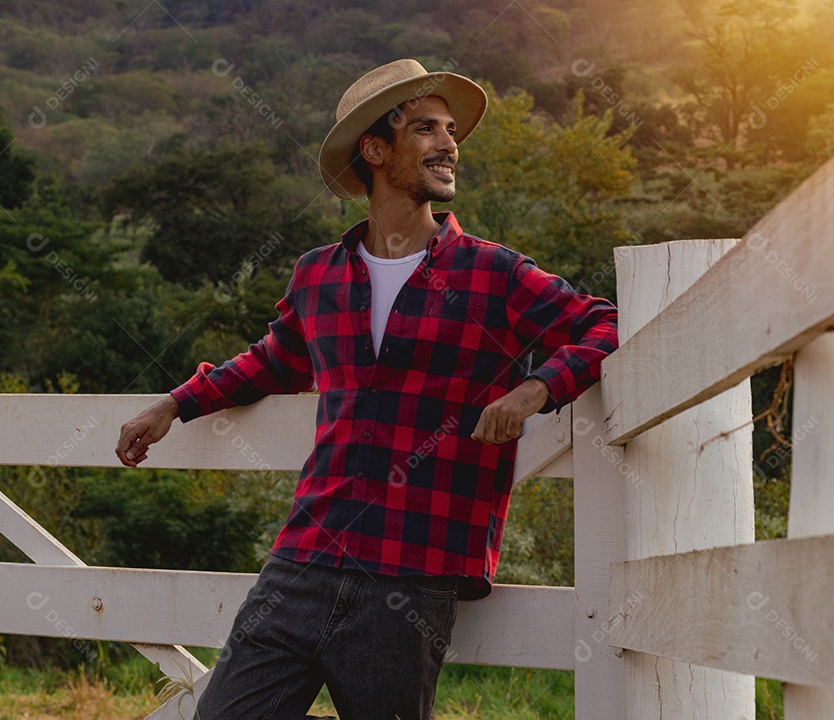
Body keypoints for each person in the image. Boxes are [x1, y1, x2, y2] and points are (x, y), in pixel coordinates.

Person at [115, 58, 619, 719]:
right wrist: (174, 404)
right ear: (375, 150)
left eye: (449, 130)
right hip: (303, 556)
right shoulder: (318, 274)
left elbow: (604, 323)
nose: (448, 143)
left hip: (412, 572)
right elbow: (274, 360)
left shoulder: (492, 273)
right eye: (425, 129)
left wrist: (535, 392)